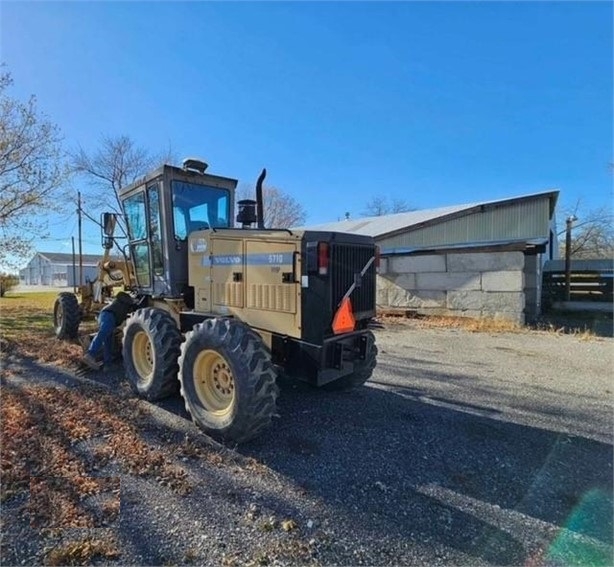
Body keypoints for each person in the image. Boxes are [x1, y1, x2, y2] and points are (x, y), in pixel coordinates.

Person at [81, 291, 136, 370]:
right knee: (103, 333)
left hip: (109, 317)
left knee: (108, 341)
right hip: (108, 315)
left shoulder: (124, 303)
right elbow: (122, 297)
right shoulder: (124, 300)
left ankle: (108, 365)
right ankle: (90, 355)